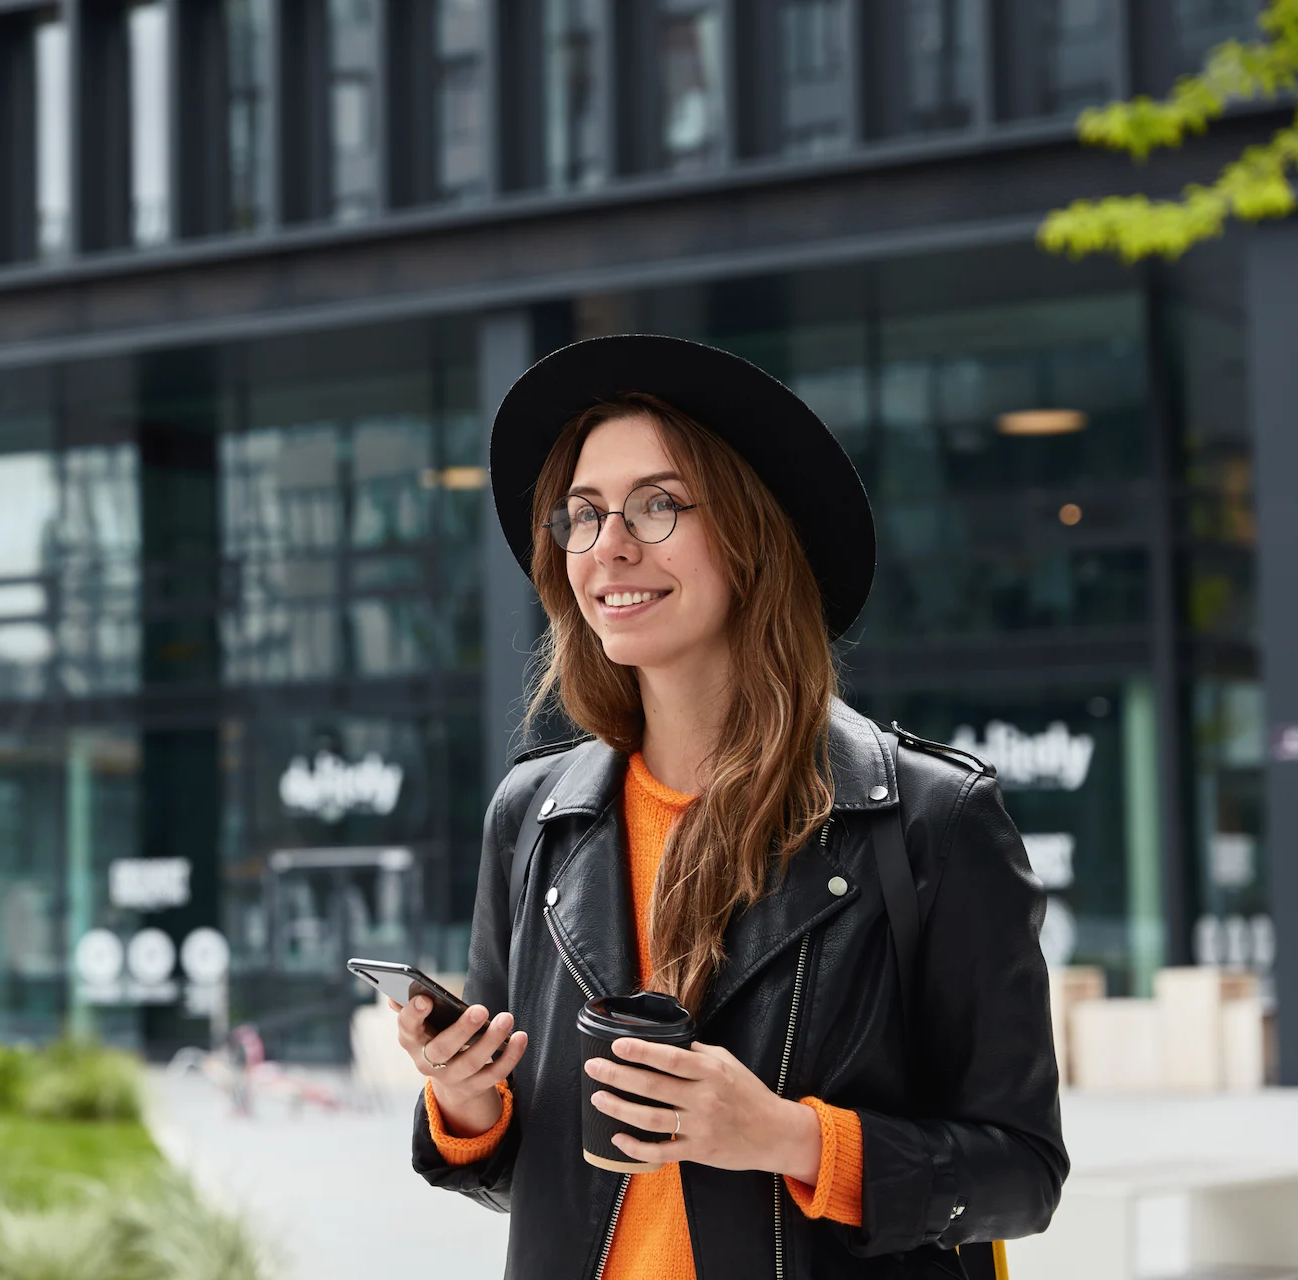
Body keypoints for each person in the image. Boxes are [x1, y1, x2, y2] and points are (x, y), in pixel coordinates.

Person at [391, 336, 1067, 1278]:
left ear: (752, 533)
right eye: (582, 515)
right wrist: (463, 1100)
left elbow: (1021, 1175)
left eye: (658, 505)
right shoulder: (536, 816)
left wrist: (789, 1138)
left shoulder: (930, 821)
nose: (610, 546)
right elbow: (539, 1173)